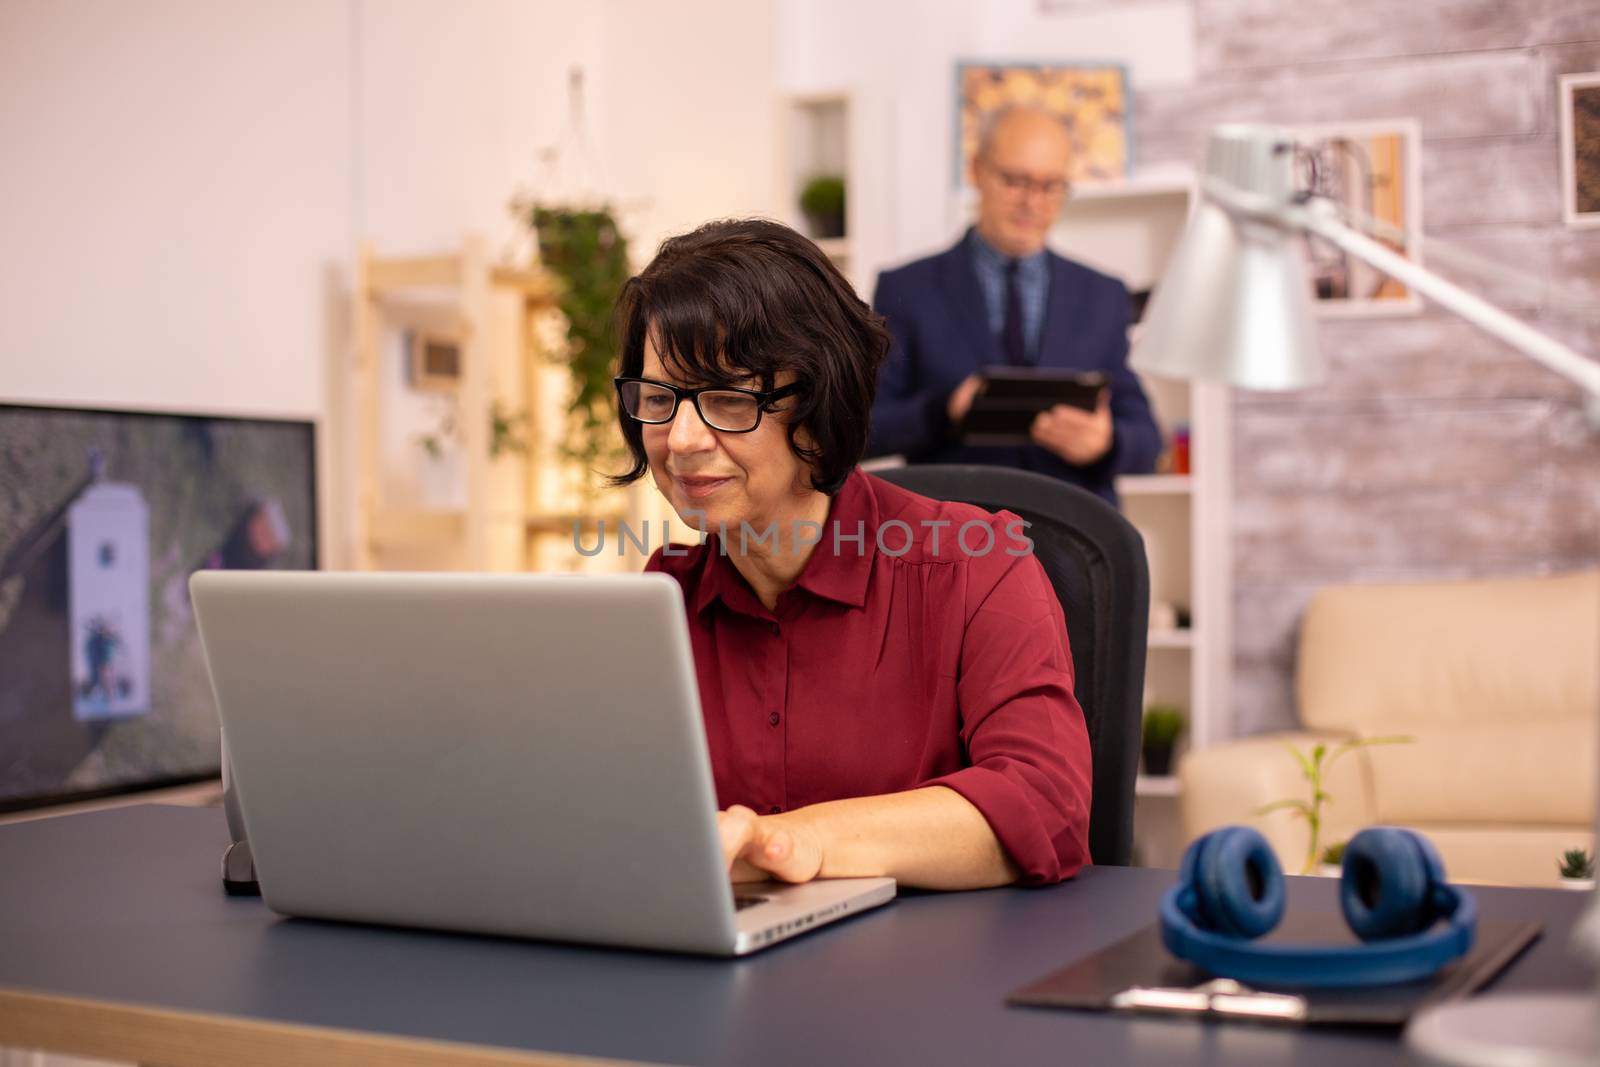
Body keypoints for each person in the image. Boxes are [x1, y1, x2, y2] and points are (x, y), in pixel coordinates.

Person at [609, 218, 1092, 891]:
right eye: (659, 399)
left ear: (818, 403)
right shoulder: (664, 599)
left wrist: (793, 840)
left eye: (725, 399)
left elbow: (1047, 807)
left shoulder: (981, 566)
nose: (681, 438)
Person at [867, 106, 1162, 505]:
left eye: (1051, 185)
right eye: (1015, 181)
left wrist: (1105, 443)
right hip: (953, 534)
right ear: (976, 170)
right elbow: (863, 430)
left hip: (1074, 533)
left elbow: (1148, 440)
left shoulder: (1103, 294)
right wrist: (944, 411)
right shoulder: (907, 288)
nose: (1032, 202)